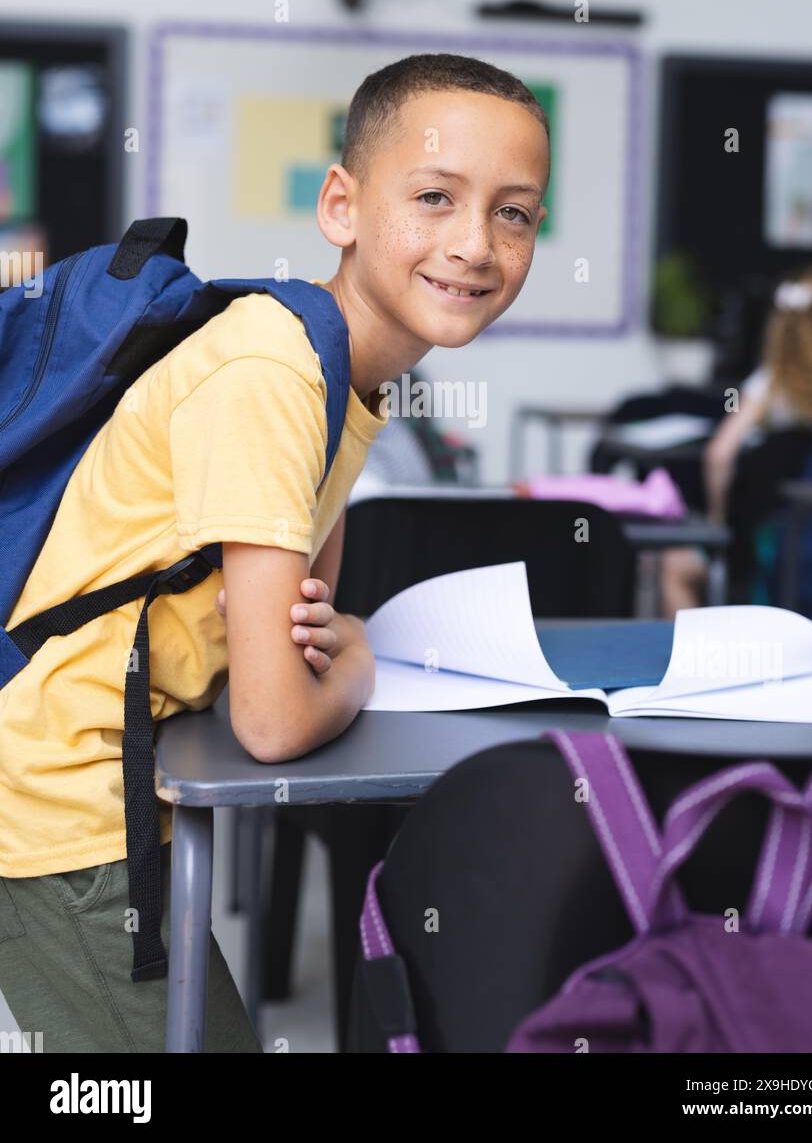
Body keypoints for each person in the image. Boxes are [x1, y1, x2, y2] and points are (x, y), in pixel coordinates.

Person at [0, 53, 550, 1051]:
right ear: (339, 204)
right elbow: (275, 713)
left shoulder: (339, 374)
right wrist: (358, 666)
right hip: (60, 811)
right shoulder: (272, 371)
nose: (475, 243)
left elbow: (302, 622)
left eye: (514, 213)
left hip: (110, 785)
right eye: (434, 197)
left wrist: (320, 649)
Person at [661, 268, 812, 615]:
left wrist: (719, 521)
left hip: (775, 552)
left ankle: (697, 661)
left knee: (675, 568)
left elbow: (719, 455)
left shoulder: (768, 387)